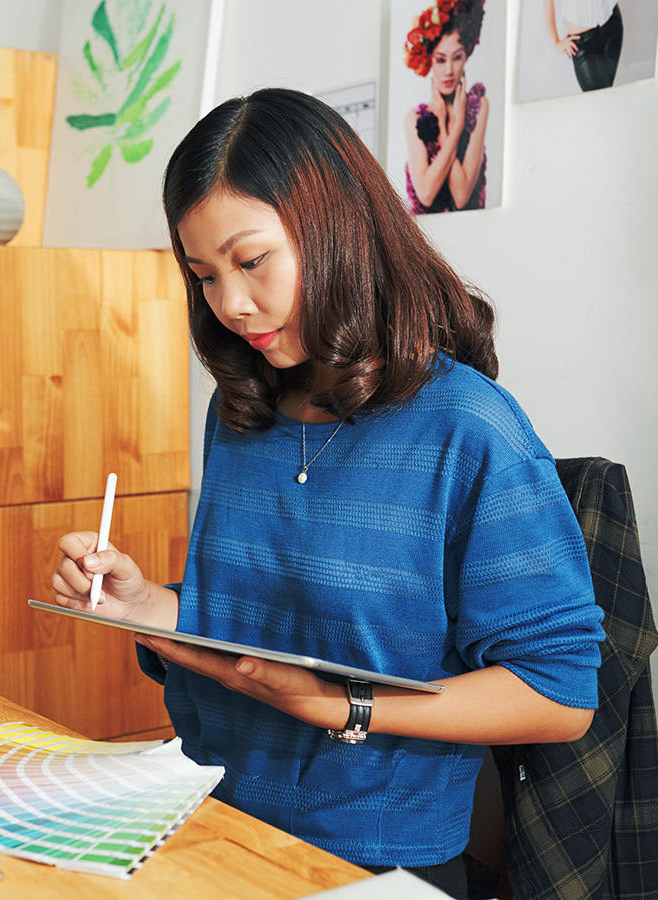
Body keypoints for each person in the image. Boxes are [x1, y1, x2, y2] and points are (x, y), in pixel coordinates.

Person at [49, 88, 605, 900]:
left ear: (337, 228)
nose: (231, 306)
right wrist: (147, 607)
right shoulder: (242, 408)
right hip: (208, 820)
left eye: (251, 261)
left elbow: (559, 695)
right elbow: (258, 635)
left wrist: (349, 705)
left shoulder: (468, 429)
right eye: (203, 276)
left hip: (375, 862)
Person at [403, 0, 489, 214]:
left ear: (466, 56)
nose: (449, 70)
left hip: (472, 237)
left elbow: (461, 197)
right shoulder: (414, 118)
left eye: (457, 57)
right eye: (441, 60)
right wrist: (446, 126)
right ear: (430, 60)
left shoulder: (478, 107)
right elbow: (426, 193)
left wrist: (455, 125)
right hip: (424, 243)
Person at [543, 0, 624, 92]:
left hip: (611, 24)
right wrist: (555, 42)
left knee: (607, 93)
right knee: (598, 99)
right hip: (583, 42)